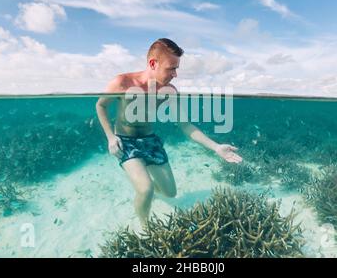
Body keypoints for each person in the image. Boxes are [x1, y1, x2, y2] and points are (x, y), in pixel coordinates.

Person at [96, 38, 242, 225]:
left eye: (176, 68)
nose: (175, 74)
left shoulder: (169, 90)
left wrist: (216, 147)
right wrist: (110, 137)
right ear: (152, 63)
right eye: (171, 68)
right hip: (125, 141)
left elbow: (185, 126)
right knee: (146, 189)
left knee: (170, 192)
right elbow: (100, 106)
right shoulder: (122, 82)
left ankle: (147, 190)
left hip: (150, 141)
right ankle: (145, 227)